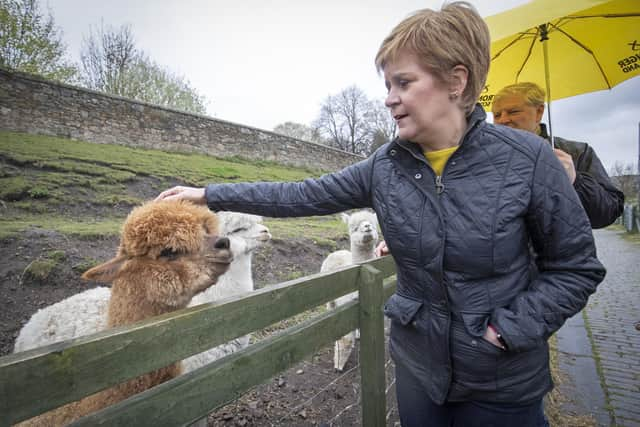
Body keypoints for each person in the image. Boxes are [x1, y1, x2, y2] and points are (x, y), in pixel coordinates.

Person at [156, 3, 605, 426]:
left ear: (457, 81)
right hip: (418, 371)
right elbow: (300, 194)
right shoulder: (384, 166)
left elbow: (576, 268)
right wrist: (209, 194)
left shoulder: (528, 159)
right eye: (387, 85)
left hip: (501, 380)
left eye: (404, 83)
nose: (390, 98)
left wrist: (508, 330)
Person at [491, 82, 625, 228]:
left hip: (559, 250)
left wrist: (575, 182)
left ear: (539, 112)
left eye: (513, 111)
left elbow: (607, 214)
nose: (503, 120)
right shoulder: (485, 157)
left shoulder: (577, 152)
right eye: (497, 115)